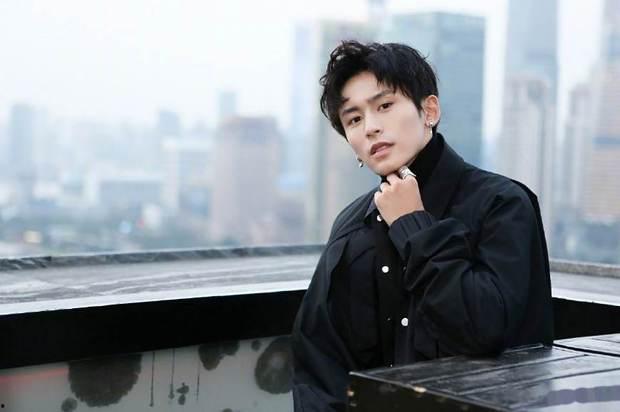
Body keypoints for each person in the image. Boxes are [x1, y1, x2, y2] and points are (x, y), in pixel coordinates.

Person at [291, 41, 554, 412]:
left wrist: (412, 224)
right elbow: (317, 364)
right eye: (354, 119)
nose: (371, 127)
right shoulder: (352, 226)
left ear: (429, 110)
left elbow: (487, 332)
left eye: (384, 106)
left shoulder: (501, 204)